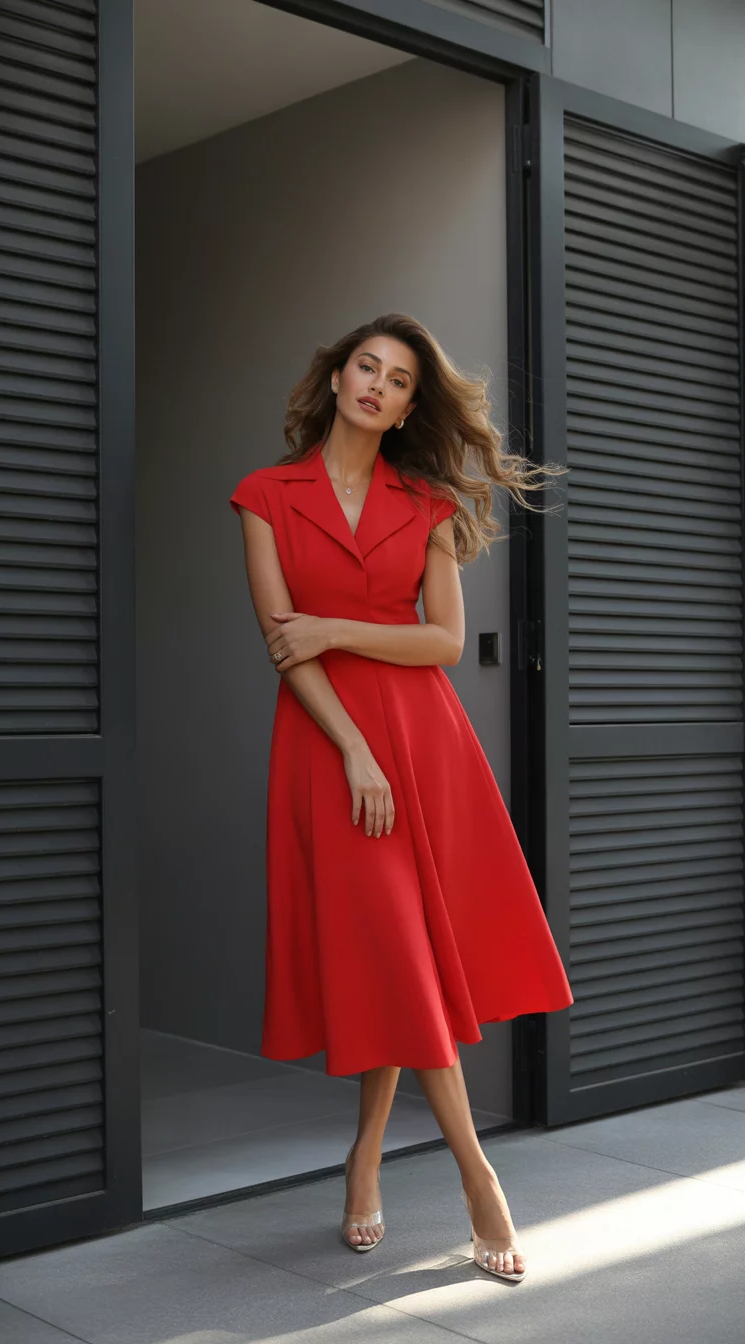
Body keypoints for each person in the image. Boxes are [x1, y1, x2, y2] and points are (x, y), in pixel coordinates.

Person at [229, 312, 573, 1282]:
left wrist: (337, 625)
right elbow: (282, 646)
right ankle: (477, 1177)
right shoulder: (265, 495)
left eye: (399, 379)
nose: (377, 385)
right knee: (394, 945)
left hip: (426, 740)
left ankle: (367, 1160)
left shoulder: (423, 501)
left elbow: (445, 643)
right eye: (365, 367)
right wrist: (353, 751)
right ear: (336, 379)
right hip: (330, 743)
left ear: (411, 406)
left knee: (404, 956)